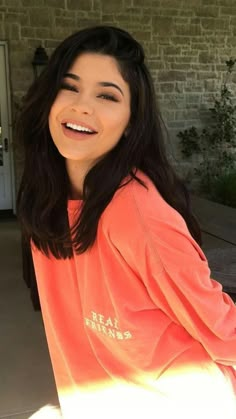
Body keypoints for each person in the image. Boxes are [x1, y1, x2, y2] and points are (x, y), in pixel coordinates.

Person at [17, 25, 236, 419]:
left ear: (131, 121)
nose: (83, 106)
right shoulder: (44, 196)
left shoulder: (136, 210)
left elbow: (219, 326)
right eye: (70, 87)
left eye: (107, 95)